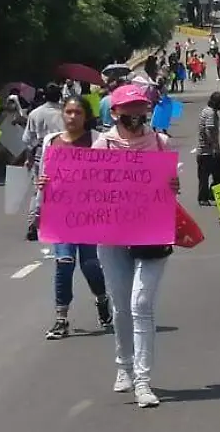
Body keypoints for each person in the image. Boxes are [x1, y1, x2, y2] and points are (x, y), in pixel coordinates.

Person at [94, 84, 180, 408]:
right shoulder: (101, 145)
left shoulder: (161, 143)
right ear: (114, 112)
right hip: (112, 235)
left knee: (140, 304)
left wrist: (173, 185)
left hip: (151, 236)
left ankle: (143, 381)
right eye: (127, 109)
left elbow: (169, 189)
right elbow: (87, 190)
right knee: (120, 306)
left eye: (140, 108)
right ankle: (123, 365)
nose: (134, 115)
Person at [31, 95, 112, 340]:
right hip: (60, 213)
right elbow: (42, 176)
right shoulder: (51, 142)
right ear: (62, 115)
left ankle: (101, 298)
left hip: (89, 214)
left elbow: (111, 176)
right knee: (64, 262)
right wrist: (39, 202)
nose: (72, 117)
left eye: (78, 112)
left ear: (86, 116)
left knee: (90, 265)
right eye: (68, 112)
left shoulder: (98, 140)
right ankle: (61, 318)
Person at [196, 91, 220, 206]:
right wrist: (214, 147)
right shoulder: (211, 113)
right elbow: (209, 130)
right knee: (213, 173)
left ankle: (209, 194)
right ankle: (204, 197)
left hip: (206, 150)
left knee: (212, 173)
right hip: (207, 151)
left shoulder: (207, 110)